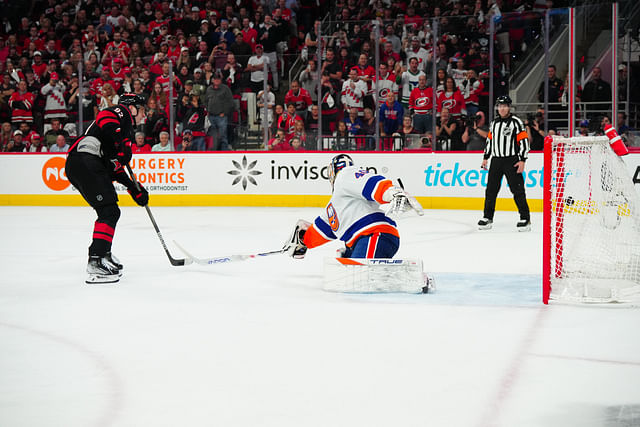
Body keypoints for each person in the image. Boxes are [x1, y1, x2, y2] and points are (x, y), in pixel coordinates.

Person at [65, 94, 149, 284]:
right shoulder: (121, 113)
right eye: (142, 109)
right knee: (109, 211)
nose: (144, 114)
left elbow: (115, 169)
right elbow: (105, 116)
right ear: (133, 108)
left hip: (84, 162)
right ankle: (96, 260)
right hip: (84, 160)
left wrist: (134, 188)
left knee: (110, 211)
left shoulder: (119, 132)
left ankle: (103, 255)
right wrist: (123, 143)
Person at [282, 154, 423, 260]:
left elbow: (370, 183)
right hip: (364, 240)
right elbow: (324, 230)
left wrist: (392, 192)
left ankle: (399, 277)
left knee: (361, 275)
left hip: (374, 235)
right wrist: (302, 241)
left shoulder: (345, 175)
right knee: (350, 270)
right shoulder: (335, 204)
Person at [478, 95, 531, 231]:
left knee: (517, 190)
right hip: (496, 160)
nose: (502, 108)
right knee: (491, 190)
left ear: (509, 107)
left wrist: (522, 160)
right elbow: (490, 141)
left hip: (511, 160)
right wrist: (486, 157)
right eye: (500, 106)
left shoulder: (516, 122)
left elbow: (524, 141)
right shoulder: (494, 123)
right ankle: (487, 217)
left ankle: (525, 218)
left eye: (504, 106)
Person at [205, 71, 234, 150]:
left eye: (218, 79)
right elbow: (206, 101)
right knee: (212, 135)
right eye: (215, 79)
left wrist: (224, 112)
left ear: (221, 80)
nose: (217, 80)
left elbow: (230, 102)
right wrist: (207, 110)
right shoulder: (209, 89)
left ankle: (224, 151)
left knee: (223, 135)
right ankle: (214, 150)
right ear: (212, 80)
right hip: (211, 116)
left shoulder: (225, 89)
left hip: (221, 116)